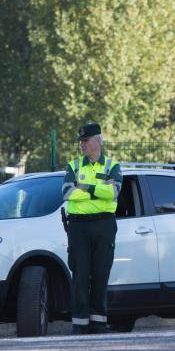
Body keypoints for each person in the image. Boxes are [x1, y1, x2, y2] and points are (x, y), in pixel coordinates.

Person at [61, 122, 122, 334]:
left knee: (100, 274)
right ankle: (80, 324)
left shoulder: (112, 166)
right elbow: (68, 193)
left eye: (85, 141)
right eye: (81, 141)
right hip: (78, 226)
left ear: (98, 140)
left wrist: (85, 187)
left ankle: (98, 323)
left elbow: (113, 193)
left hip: (104, 224)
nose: (82, 145)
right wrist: (98, 190)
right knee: (80, 274)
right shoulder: (74, 166)